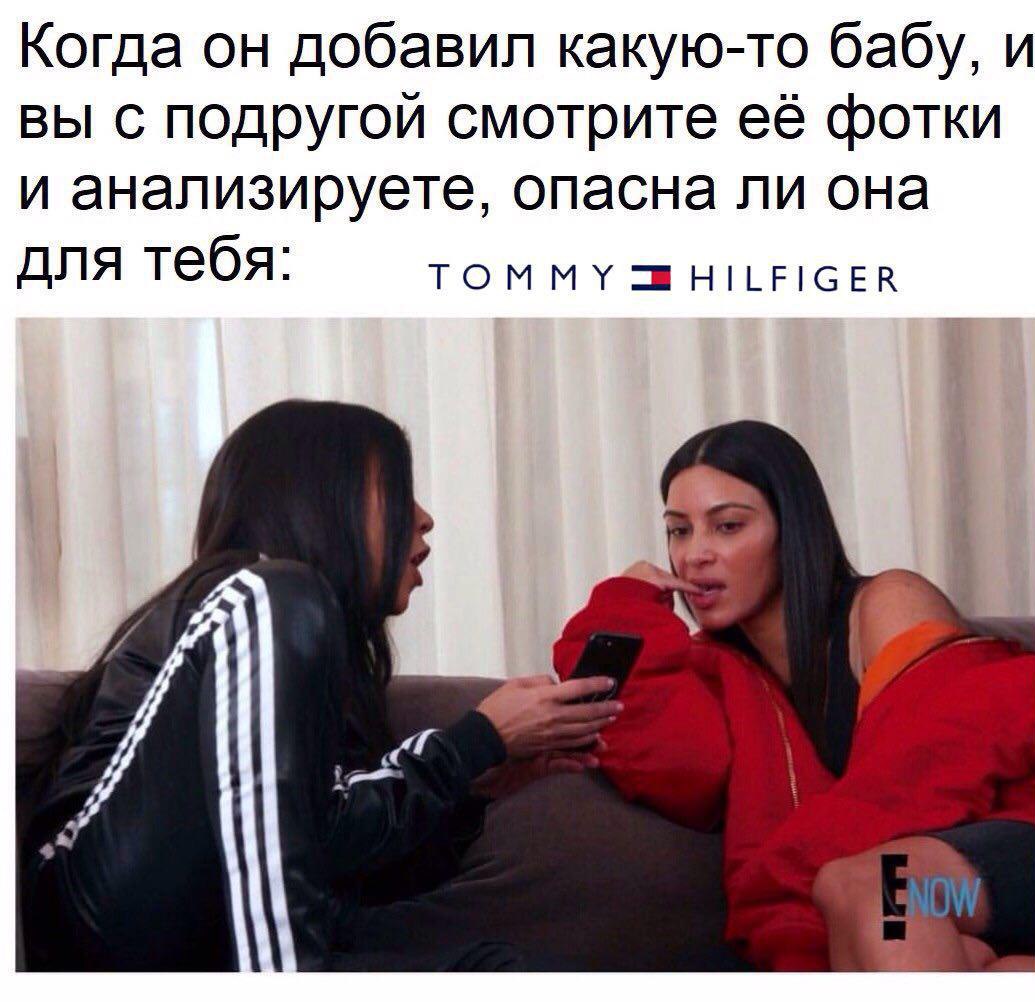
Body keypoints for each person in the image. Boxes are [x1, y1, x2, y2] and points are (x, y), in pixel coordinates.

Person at [23, 399, 623, 972]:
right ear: (319, 500)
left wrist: (474, 782)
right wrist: (474, 740)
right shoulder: (258, 599)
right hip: (99, 923)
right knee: (276, 595)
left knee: (499, 971)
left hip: (222, 948)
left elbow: (323, 858)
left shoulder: (315, 658)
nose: (423, 517)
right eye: (397, 490)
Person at [554, 420, 1035, 971]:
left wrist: (783, 876)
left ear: (793, 528)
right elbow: (674, 764)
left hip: (1021, 863)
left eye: (728, 526)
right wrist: (627, 602)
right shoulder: (726, 670)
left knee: (881, 887)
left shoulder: (887, 604)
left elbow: (934, 767)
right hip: (945, 904)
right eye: (679, 531)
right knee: (946, 944)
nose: (695, 554)